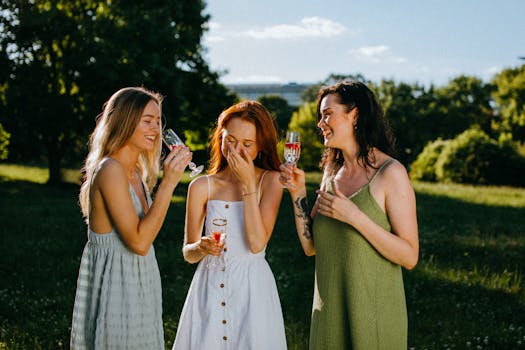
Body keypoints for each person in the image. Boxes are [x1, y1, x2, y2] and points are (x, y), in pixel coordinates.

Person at [280, 81, 419, 349]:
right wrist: (297, 192)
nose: (320, 123)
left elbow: (410, 256)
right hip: (328, 317)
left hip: (372, 319)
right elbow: (311, 247)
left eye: (327, 114)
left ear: (354, 115)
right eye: (320, 116)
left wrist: (356, 217)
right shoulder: (331, 171)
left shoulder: (391, 173)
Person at [70, 86, 192, 349]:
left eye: (158, 122)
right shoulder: (110, 170)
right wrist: (169, 184)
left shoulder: (135, 171)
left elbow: (147, 232)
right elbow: (138, 242)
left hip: (140, 278)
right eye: (147, 121)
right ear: (125, 121)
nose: (156, 130)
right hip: (117, 282)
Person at [172, 100, 287, 349]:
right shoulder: (202, 186)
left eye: (247, 144)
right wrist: (201, 247)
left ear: (260, 147)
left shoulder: (271, 181)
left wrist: (247, 185)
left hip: (252, 291)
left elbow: (257, 244)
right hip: (209, 290)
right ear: (220, 136)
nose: (236, 150)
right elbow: (188, 253)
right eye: (230, 140)